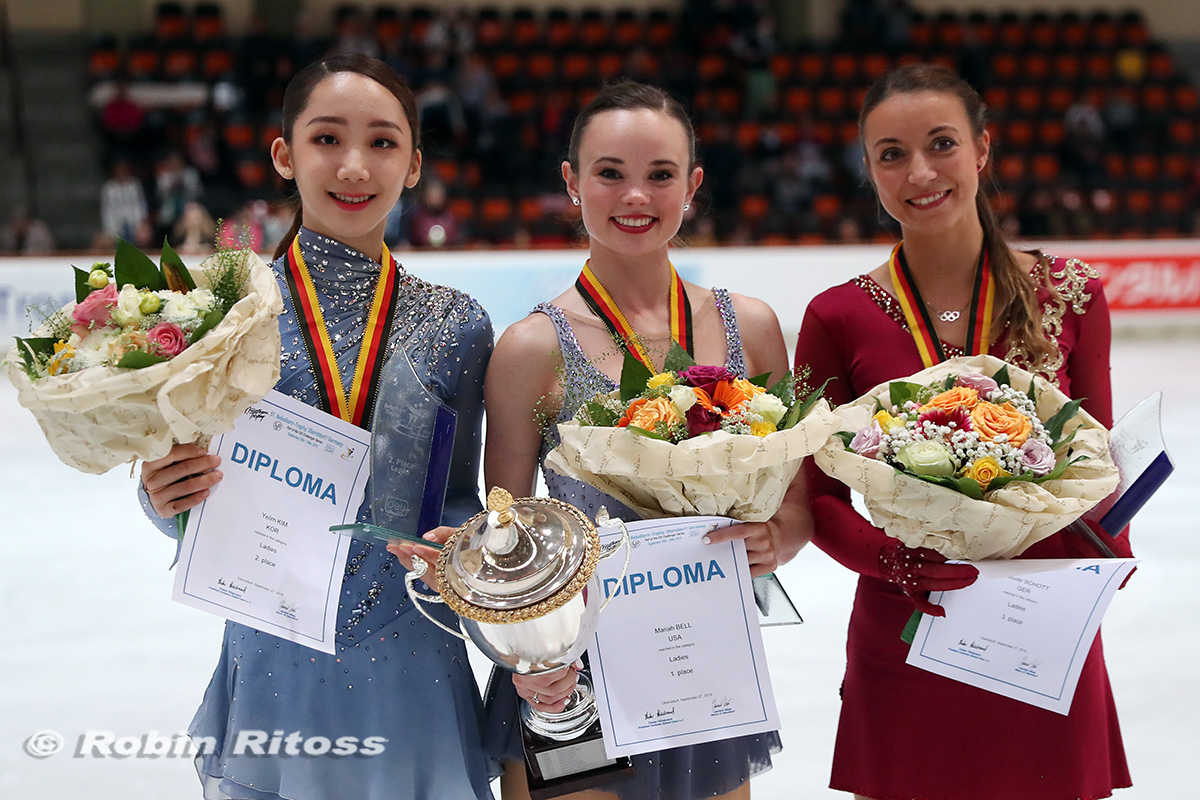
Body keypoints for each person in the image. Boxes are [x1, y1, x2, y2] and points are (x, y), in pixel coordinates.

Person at [137, 54, 496, 800]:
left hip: (411, 649)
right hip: (275, 648)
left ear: (414, 164)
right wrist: (162, 494)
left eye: (383, 142)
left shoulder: (457, 323)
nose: (354, 166)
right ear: (284, 155)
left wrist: (460, 552)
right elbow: (184, 489)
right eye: (327, 138)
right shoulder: (224, 318)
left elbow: (460, 495)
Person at [795, 64, 1132, 800]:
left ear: (981, 149)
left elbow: (1102, 460)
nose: (919, 172)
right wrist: (896, 564)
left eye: (941, 143)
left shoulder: (1070, 293)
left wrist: (1108, 546)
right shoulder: (835, 316)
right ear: (869, 169)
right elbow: (816, 498)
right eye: (891, 154)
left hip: (1042, 622)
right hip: (910, 618)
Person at [479, 80, 812, 800]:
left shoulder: (750, 326)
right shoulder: (532, 348)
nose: (636, 196)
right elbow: (504, 528)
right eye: (610, 173)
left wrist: (775, 538)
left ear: (692, 185)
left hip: (702, 657)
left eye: (660, 174)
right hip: (574, 667)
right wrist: (535, 654)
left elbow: (797, 503)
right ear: (572, 182)